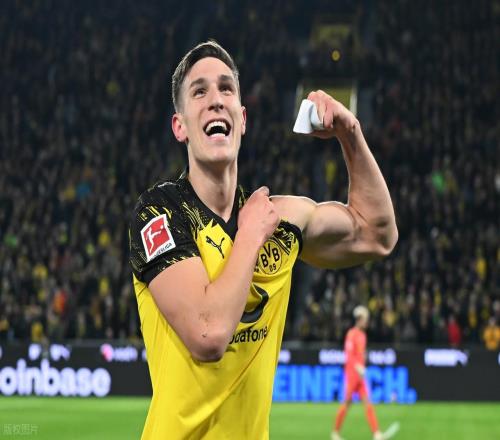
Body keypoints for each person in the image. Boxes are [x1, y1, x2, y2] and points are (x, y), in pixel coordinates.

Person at [128, 40, 398, 440]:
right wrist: (251, 233)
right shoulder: (159, 213)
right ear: (179, 126)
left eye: (226, 88)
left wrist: (350, 134)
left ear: (242, 118)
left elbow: (377, 235)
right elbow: (209, 335)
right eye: (199, 92)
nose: (215, 100)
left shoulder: (279, 219)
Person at [332, 306, 399, 440]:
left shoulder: (363, 335)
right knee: (347, 403)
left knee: (368, 403)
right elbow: (349, 355)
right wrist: (357, 367)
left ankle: (376, 433)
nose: (367, 322)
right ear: (359, 319)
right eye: (365, 319)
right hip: (352, 375)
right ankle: (335, 433)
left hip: (360, 376)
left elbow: (360, 354)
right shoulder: (351, 334)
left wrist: (362, 363)